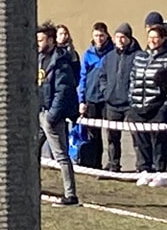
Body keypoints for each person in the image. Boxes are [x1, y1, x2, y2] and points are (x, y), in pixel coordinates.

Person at [38, 23, 79, 206]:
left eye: (41, 40)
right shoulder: (39, 59)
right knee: (31, 152)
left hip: (51, 116)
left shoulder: (60, 62)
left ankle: (71, 195)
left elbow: (63, 90)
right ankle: (33, 186)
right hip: (39, 113)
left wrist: (52, 116)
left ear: (51, 41)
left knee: (61, 155)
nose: (38, 43)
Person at [127, 24, 167, 175]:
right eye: (150, 37)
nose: (152, 40)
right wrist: (131, 100)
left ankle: (159, 171)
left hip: (157, 107)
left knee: (159, 142)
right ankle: (144, 169)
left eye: (156, 37)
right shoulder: (139, 57)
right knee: (141, 141)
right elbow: (132, 79)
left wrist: (165, 106)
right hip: (138, 107)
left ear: (162, 39)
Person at [98, 23, 141, 172]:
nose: (120, 40)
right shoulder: (109, 57)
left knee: (137, 136)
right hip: (112, 104)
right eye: (117, 37)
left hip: (130, 105)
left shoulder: (138, 56)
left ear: (129, 38)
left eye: (123, 37)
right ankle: (113, 164)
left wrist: (133, 95)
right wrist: (106, 92)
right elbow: (102, 76)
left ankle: (142, 166)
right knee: (112, 137)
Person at [76, 22, 113, 168]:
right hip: (91, 98)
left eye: (102, 35)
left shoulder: (112, 53)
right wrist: (81, 99)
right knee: (93, 134)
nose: (99, 38)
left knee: (112, 133)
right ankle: (95, 163)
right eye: (96, 35)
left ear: (106, 35)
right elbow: (83, 77)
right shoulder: (88, 54)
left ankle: (113, 164)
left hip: (107, 99)